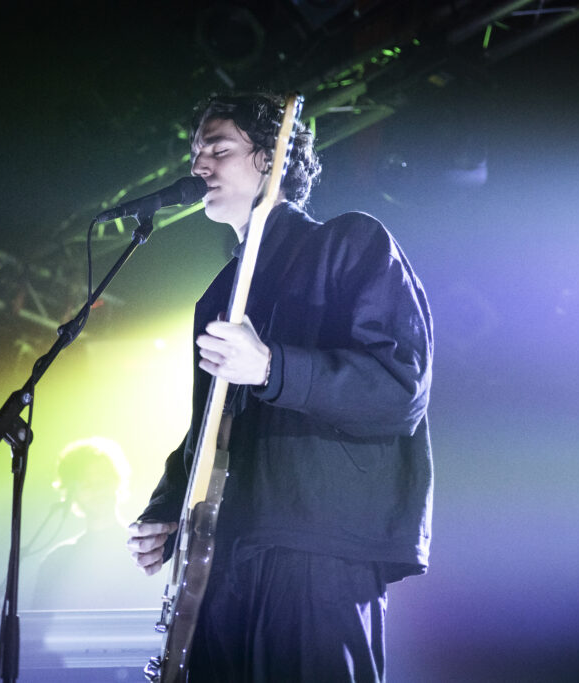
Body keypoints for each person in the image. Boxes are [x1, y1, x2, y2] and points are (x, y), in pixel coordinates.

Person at [126, 93, 434, 682]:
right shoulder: (218, 294)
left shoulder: (350, 243)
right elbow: (210, 428)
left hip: (316, 544)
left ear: (269, 159)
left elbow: (400, 390)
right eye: (195, 153)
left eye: (217, 149)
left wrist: (272, 366)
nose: (199, 167)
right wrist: (169, 506)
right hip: (225, 553)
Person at [32, 437, 152, 610]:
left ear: (116, 482)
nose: (97, 490)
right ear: (72, 493)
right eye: (87, 485)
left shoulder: (144, 548)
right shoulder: (56, 561)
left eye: (102, 481)